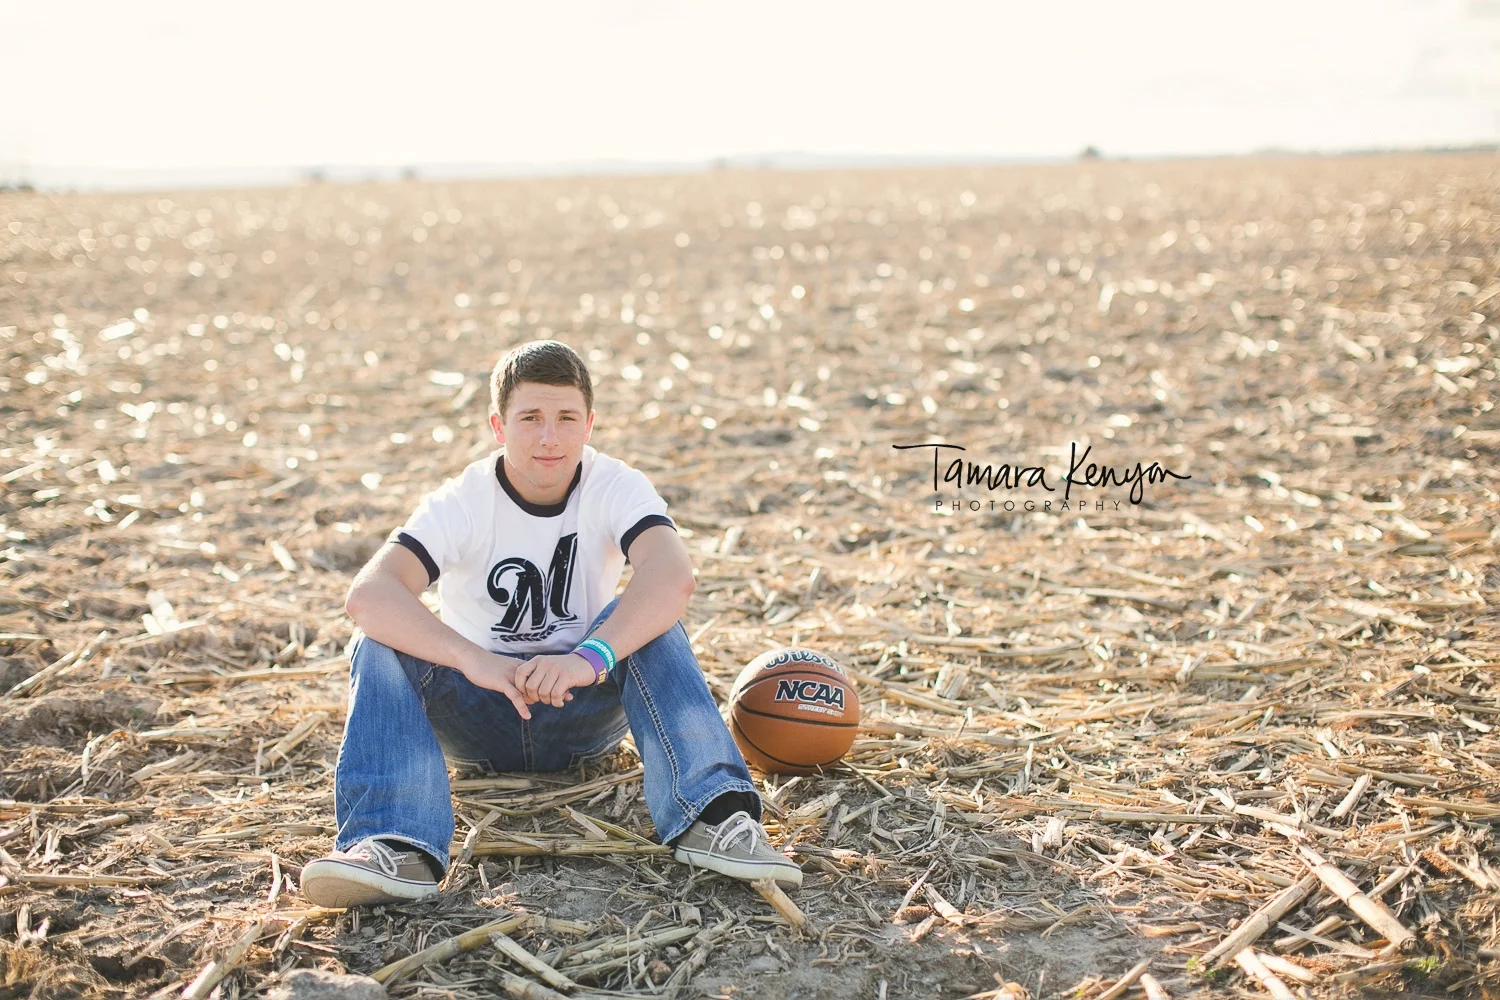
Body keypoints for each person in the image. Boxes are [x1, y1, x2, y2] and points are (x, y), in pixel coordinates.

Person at [299, 340, 802, 907]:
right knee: (379, 642)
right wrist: (475, 660)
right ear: (498, 426)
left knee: (650, 619)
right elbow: (369, 593)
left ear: (589, 424)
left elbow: (672, 577)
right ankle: (394, 844)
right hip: (477, 714)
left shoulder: (617, 484)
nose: (549, 437)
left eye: (566, 419)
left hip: (582, 709)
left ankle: (712, 816)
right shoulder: (463, 499)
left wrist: (587, 659)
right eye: (530, 419)